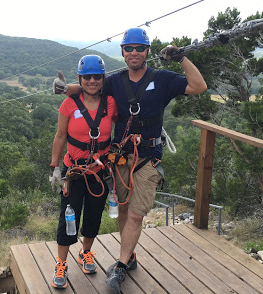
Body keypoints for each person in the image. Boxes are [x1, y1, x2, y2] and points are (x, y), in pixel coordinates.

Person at [54, 28, 207, 293]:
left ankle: (121, 266)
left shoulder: (162, 79)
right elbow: (93, 86)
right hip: (122, 158)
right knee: (123, 209)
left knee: (136, 213)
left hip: (148, 157)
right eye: (129, 48)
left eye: (139, 48)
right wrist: (68, 88)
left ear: (147, 50)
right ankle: (129, 254)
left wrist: (181, 58)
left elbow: (199, 86)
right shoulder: (115, 81)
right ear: (123, 52)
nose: (134, 52)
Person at [49, 55, 118, 289]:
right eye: (86, 77)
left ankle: (86, 252)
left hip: (99, 171)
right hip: (74, 171)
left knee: (93, 215)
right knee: (68, 216)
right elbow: (60, 136)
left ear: (103, 79)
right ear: (80, 78)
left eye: (97, 77)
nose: (92, 81)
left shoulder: (110, 103)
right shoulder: (69, 104)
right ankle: (61, 263)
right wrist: (55, 167)